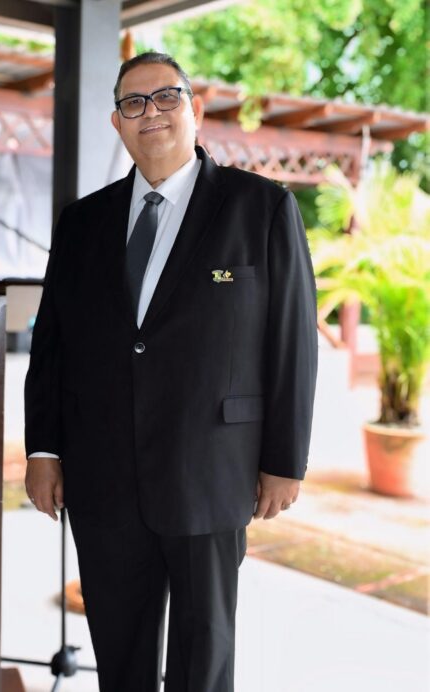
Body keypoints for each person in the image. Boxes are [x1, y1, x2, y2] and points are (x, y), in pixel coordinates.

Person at [24, 52, 317, 692]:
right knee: (119, 658)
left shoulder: (261, 208)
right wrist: (43, 450)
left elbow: (292, 343)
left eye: (166, 97)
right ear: (117, 122)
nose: (150, 112)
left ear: (195, 109)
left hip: (211, 472)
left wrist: (285, 460)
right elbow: (52, 347)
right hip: (102, 477)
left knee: (203, 660)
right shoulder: (81, 223)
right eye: (133, 103)